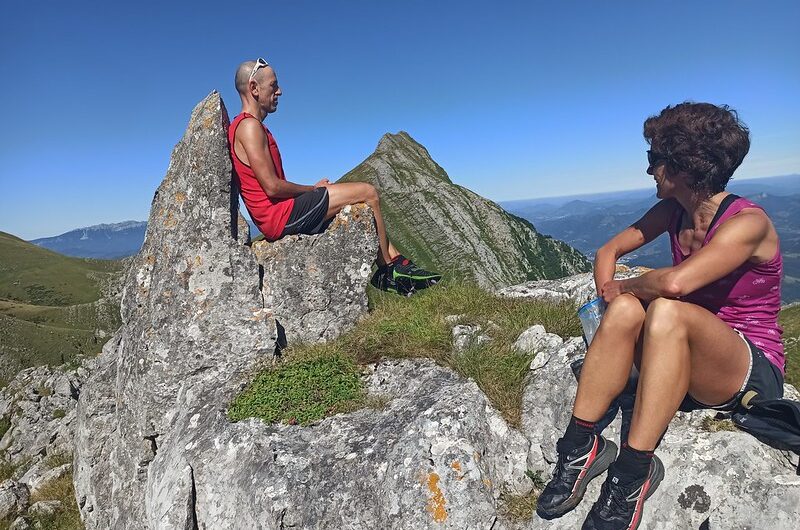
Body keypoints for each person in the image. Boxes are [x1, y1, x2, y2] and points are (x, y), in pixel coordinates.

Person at [536, 102, 784, 529]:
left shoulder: (748, 224)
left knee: (664, 308)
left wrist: (625, 288)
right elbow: (607, 252)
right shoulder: (673, 213)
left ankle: (633, 474)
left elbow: (674, 286)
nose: (650, 170)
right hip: (685, 355)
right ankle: (579, 446)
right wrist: (608, 311)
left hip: (747, 364)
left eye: (655, 159)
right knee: (632, 306)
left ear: (685, 166)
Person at [228, 58, 441, 295]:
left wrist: (315, 191)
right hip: (279, 217)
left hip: (280, 213)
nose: (279, 91)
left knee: (359, 197)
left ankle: (399, 262)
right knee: (368, 192)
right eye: (273, 85)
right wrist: (313, 190)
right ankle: (387, 271)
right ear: (254, 89)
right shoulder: (249, 127)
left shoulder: (247, 126)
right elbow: (272, 187)